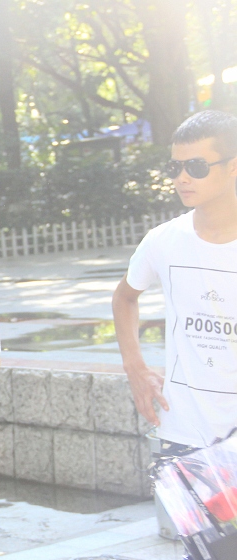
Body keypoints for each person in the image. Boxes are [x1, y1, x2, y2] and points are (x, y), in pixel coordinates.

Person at [113, 110, 237, 451]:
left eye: (196, 167)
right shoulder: (163, 240)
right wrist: (135, 367)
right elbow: (124, 297)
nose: (182, 178)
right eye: (174, 167)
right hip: (182, 433)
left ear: (233, 166)